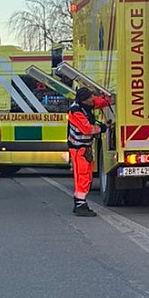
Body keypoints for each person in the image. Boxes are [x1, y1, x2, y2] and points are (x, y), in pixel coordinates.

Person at [67, 83, 108, 217]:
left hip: (85, 148)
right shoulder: (75, 112)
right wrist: (101, 128)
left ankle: (80, 202)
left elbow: (100, 102)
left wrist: (109, 99)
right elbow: (87, 129)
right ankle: (80, 204)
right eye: (90, 98)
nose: (92, 100)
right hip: (78, 148)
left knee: (87, 176)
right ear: (83, 100)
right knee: (82, 176)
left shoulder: (85, 104)